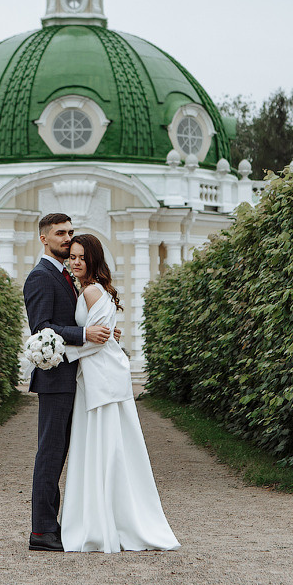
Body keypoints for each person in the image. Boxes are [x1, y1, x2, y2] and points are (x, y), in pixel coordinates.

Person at [60, 234, 179, 552]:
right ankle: (109, 518)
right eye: (72, 256)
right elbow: (103, 334)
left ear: (93, 259)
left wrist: (56, 349)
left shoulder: (92, 290)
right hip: (101, 377)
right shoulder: (94, 289)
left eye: (81, 257)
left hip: (102, 381)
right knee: (110, 448)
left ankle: (104, 522)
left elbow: (97, 339)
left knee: (105, 448)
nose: (75, 261)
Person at [23, 213, 114, 552]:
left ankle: (55, 525)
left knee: (60, 453)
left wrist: (99, 331)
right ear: (43, 238)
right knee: (50, 453)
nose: (67, 238)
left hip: (70, 376)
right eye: (60, 233)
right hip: (55, 379)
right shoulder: (41, 277)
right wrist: (83, 333)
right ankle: (42, 531)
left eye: (70, 232)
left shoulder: (63, 275)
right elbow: (41, 328)